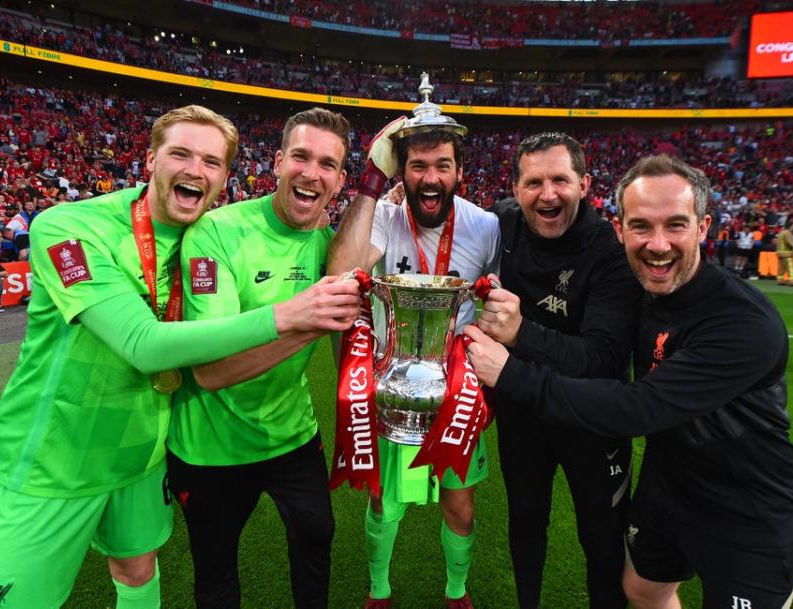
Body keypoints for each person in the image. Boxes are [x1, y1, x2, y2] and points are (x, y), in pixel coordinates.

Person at [0, 105, 321, 609]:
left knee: (137, 569)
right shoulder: (69, 228)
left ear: (224, 177)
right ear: (151, 160)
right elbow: (142, 344)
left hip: (141, 455)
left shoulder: (205, 236)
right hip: (54, 460)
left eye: (212, 161)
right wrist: (288, 317)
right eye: (180, 154)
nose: (195, 170)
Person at [465, 154, 793, 609]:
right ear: (621, 229)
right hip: (667, 488)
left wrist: (509, 371)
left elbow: (638, 407)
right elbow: (498, 211)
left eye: (676, 226)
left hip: (746, 508)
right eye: (642, 226)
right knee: (642, 591)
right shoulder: (647, 290)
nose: (658, 244)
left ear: (704, 228)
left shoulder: (743, 323)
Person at [165, 107, 361, 609]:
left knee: (317, 542)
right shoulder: (216, 232)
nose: (310, 173)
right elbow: (210, 371)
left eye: (327, 165)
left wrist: (379, 192)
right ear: (276, 162)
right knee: (215, 574)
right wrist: (308, 322)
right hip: (211, 446)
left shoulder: (328, 247)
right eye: (300, 156)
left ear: (339, 182)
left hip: (291, 435)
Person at [327, 116, 500, 609]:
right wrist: (371, 182)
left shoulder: (484, 226)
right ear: (402, 171)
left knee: (460, 508)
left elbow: (498, 306)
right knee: (385, 504)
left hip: (458, 394)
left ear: (459, 172)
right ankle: (379, 591)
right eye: (417, 165)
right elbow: (341, 273)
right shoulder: (382, 214)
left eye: (442, 165)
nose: (430, 177)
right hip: (393, 384)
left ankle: (456, 591)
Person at [479, 132, 640, 609]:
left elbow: (604, 360)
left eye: (560, 180)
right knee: (526, 520)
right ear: (514, 187)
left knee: (602, 538)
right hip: (523, 413)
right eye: (533, 182)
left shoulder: (611, 254)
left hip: (593, 422)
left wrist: (520, 334)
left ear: (585, 184)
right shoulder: (502, 226)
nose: (547, 194)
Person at [776, 222, 793, 286]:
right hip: (787, 253)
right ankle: (792, 281)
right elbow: (790, 242)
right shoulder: (788, 233)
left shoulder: (781, 233)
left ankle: (780, 280)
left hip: (780, 253)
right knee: (791, 267)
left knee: (781, 268)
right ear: (791, 226)